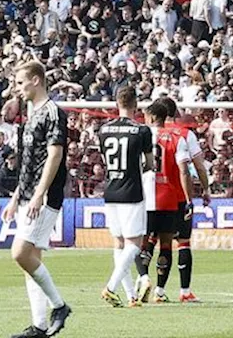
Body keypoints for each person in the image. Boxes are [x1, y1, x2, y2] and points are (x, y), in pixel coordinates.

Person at [4, 61, 72, 338]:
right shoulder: (33, 115)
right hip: (28, 194)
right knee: (31, 258)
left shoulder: (53, 113)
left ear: (35, 80)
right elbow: (28, 163)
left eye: (20, 83)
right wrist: (17, 196)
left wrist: (39, 193)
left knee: (20, 253)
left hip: (43, 196)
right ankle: (39, 325)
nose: (17, 89)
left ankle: (60, 306)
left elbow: (55, 155)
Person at [136, 98, 199, 304]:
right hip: (170, 198)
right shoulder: (178, 137)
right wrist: (191, 198)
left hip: (145, 196)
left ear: (152, 116)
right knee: (167, 245)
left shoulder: (141, 135)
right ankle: (161, 291)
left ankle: (143, 278)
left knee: (144, 243)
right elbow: (185, 170)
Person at [96, 86, 154, 308]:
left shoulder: (103, 129)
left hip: (110, 190)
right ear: (136, 104)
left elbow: (105, 160)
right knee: (134, 244)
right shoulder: (142, 131)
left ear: (116, 103)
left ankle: (130, 297)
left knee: (118, 243)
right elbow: (149, 164)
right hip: (132, 191)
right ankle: (110, 287)